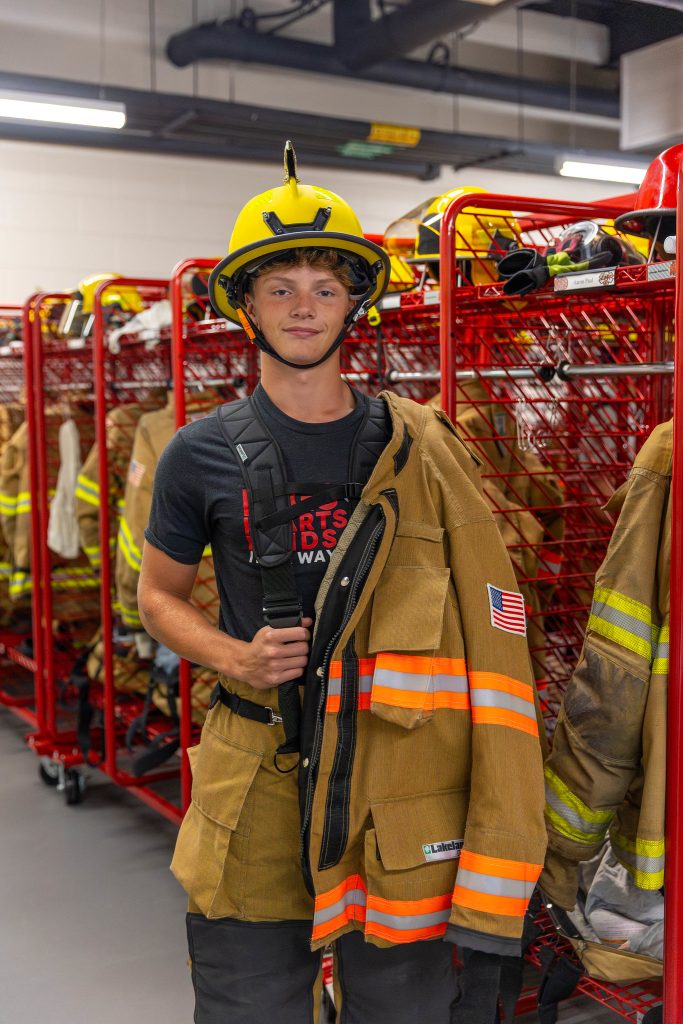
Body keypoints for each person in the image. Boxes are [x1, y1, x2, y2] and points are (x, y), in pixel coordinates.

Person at [138, 142, 546, 1024]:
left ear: (355, 302)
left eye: (325, 287)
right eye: (279, 287)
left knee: (401, 1004)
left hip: (396, 780)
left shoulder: (420, 448)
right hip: (258, 775)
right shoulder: (196, 454)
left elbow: (491, 608)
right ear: (242, 303)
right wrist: (233, 658)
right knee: (249, 1001)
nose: (302, 308)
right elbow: (157, 594)